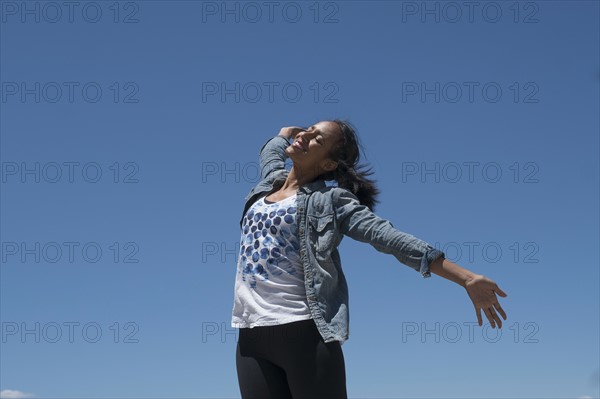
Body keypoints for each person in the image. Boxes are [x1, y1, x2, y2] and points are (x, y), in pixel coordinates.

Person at [231, 120, 508, 399]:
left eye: (317, 139)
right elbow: (271, 151)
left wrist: (466, 278)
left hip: (304, 333)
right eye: (309, 130)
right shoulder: (268, 184)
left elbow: (387, 237)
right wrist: (287, 133)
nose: (306, 136)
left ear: (328, 165)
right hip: (251, 337)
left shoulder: (331, 200)